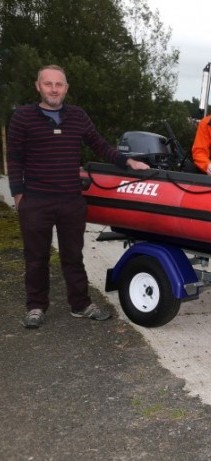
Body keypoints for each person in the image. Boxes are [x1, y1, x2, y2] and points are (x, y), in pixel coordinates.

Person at [7, 64, 150, 329]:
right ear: (38, 86)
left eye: (58, 84)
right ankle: (36, 306)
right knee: (35, 257)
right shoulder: (23, 117)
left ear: (66, 88)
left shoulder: (78, 116)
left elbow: (99, 145)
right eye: (48, 84)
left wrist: (127, 162)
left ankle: (80, 305)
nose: (53, 89)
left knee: (73, 255)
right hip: (35, 201)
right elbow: (14, 159)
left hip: (71, 200)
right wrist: (18, 195)